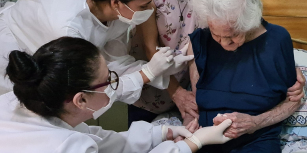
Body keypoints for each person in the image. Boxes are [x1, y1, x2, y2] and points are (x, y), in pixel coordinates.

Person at [128, 0, 304, 126]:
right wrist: (177, 93)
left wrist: (289, 64)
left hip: (200, 88)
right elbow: (150, 48)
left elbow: (252, 27)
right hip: (155, 86)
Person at [0, 0, 193, 99]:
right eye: (144, 5)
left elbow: (114, 63)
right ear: (116, 3)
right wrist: (148, 72)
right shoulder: (69, 28)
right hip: (11, 56)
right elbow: (91, 91)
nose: (151, 8)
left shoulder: (116, 10)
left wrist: (162, 68)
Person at [0, 37, 233, 153]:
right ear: (80, 99)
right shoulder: (65, 147)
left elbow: (97, 139)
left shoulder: (18, 100)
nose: (115, 84)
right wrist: (193, 143)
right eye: (109, 79)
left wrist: (163, 132)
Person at [187, 0, 303, 152]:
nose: (224, 43)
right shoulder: (200, 41)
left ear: (249, 23)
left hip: (257, 139)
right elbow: (195, 103)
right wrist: (189, 125)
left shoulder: (277, 40)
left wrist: (255, 123)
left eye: (233, 35)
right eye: (216, 35)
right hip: (207, 136)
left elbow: (292, 101)